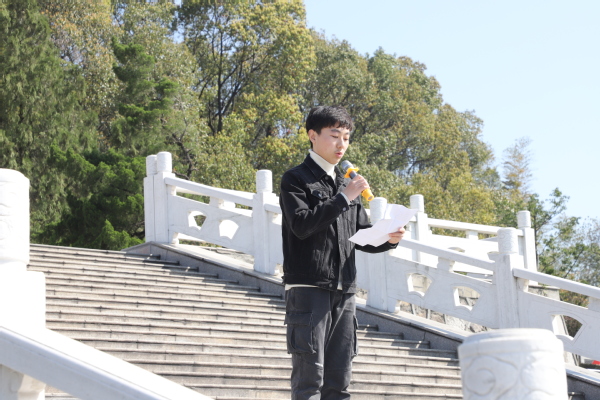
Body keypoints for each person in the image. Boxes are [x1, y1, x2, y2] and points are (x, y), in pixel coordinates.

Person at [279, 105, 405, 399]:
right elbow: (301, 225)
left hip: (345, 290)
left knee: (339, 384)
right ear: (312, 135)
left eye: (346, 138)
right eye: (334, 136)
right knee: (309, 382)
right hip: (309, 289)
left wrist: (389, 238)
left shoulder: (347, 184)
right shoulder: (296, 179)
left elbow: (359, 237)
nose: (341, 144)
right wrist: (343, 198)